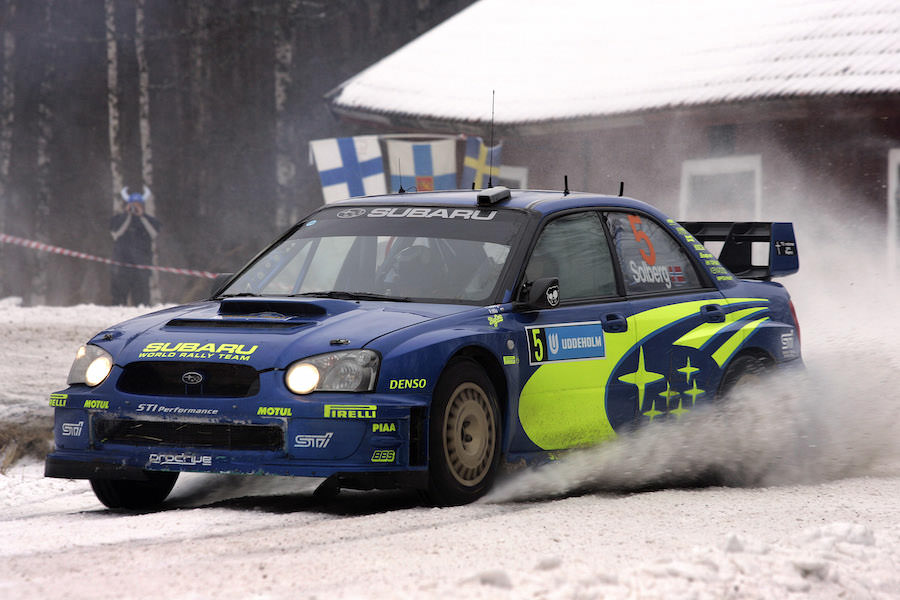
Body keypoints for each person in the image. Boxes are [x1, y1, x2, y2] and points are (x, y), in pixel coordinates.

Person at [109, 186, 160, 305]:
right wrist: (127, 215)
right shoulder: (118, 220)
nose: (134, 207)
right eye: (132, 204)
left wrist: (141, 216)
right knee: (118, 301)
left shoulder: (149, 221)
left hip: (142, 266)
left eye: (138, 205)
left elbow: (154, 233)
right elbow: (116, 233)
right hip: (122, 265)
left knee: (142, 302)